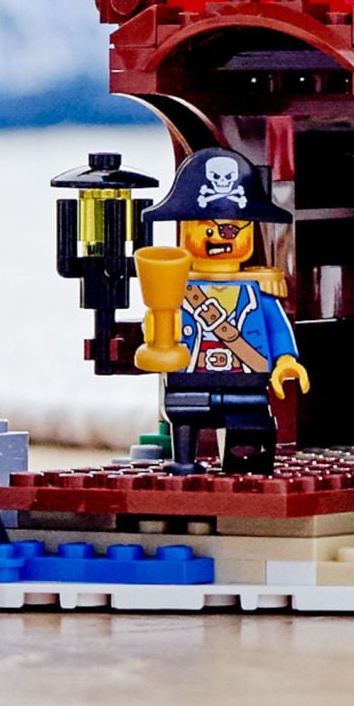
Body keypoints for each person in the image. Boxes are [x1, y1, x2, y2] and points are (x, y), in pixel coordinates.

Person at [134, 149, 308, 474]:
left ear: (248, 232)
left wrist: (286, 360)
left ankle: (247, 467)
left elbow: (276, 327)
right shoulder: (174, 286)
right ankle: (184, 461)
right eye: (208, 229)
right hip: (189, 378)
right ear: (186, 230)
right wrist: (156, 333)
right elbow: (157, 325)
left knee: (250, 425)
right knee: (184, 414)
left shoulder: (257, 289)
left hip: (247, 379)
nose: (220, 238)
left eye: (231, 231)